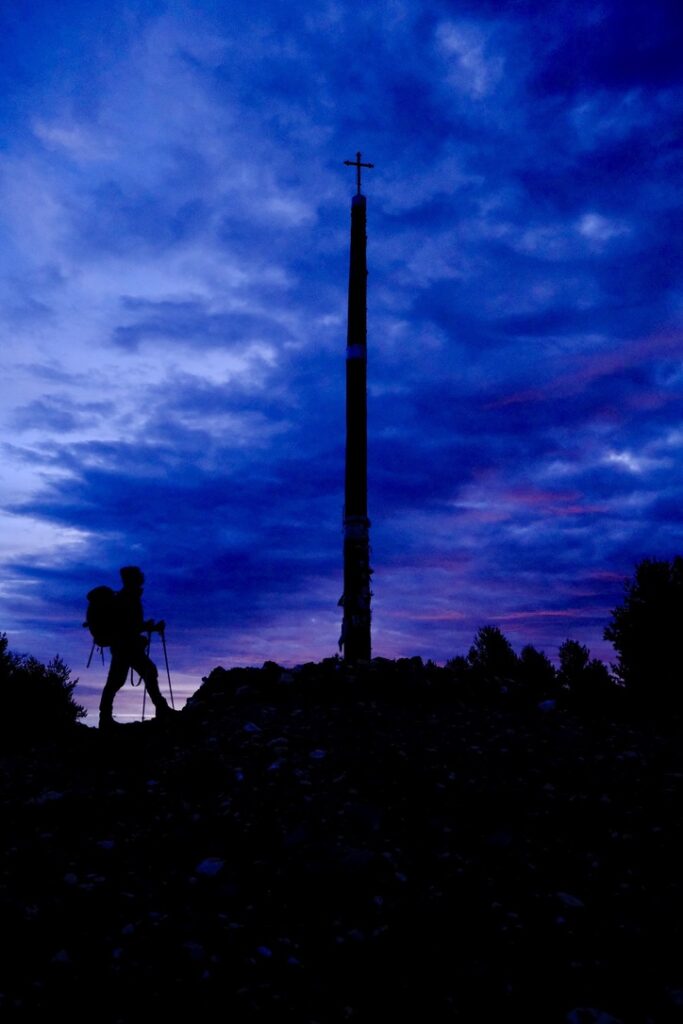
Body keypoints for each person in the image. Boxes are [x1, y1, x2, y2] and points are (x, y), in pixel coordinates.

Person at [99, 565, 173, 729]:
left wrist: (148, 628)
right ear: (132, 579)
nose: (141, 579)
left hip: (125, 647)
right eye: (138, 576)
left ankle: (105, 718)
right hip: (126, 647)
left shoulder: (128, 598)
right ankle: (161, 709)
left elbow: (131, 625)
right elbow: (128, 626)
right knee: (135, 675)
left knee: (120, 680)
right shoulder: (126, 599)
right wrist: (148, 628)